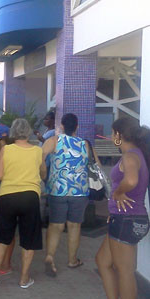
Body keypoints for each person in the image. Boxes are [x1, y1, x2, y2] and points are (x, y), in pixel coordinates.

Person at [95, 118, 150, 299]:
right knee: (102, 260)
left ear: (119, 135)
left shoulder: (130, 156)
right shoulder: (136, 154)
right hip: (123, 218)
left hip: (128, 220)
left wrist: (117, 193)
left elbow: (132, 180)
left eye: (112, 133)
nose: (111, 137)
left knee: (125, 271)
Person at [0, 118, 44, 289]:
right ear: (28, 132)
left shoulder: (6, 149)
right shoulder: (37, 151)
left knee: (2, 237)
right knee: (29, 239)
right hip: (30, 196)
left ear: (12, 132)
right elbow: (43, 173)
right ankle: (24, 279)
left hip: (7, 196)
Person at [41, 113, 90, 276]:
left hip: (57, 189)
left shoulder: (54, 141)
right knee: (74, 226)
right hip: (79, 191)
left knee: (56, 225)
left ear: (61, 126)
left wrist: (44, 175)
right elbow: (90, 163)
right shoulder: (84, 144)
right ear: (77, 126)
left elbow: (40, 157)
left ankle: (49, 257)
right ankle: (72, 260)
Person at [0, 123, 15, 276]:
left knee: (8, 232)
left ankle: (6, 263)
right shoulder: (3, 151)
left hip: (6, 196)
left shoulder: (6, 153)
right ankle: (1, 259)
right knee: (2, 229)